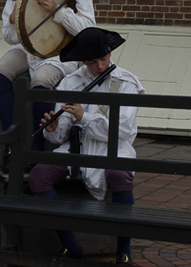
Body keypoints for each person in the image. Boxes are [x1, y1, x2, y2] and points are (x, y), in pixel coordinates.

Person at [28, 27, 145, 265]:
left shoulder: (126, 82)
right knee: (39, 175)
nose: (100, 66)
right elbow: (61, 136)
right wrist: (53, 129)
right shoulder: (70, 82)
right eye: (93, 62)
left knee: (118, 174)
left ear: (110, 54)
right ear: (83, 61)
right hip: (77, 148)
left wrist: (85, 118)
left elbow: (123, 130)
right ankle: (71, 246)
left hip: (114, 149)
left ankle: (123, 253)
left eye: (103, 59)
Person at [0, 0, 96, 168]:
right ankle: (13, 146)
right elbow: (8, 36)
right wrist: (13, 21)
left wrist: (58, 12)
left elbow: (89, 29)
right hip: (29, 49)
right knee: (0, 72)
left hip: (63, 51)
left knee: (41, 80)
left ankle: (37, 151)